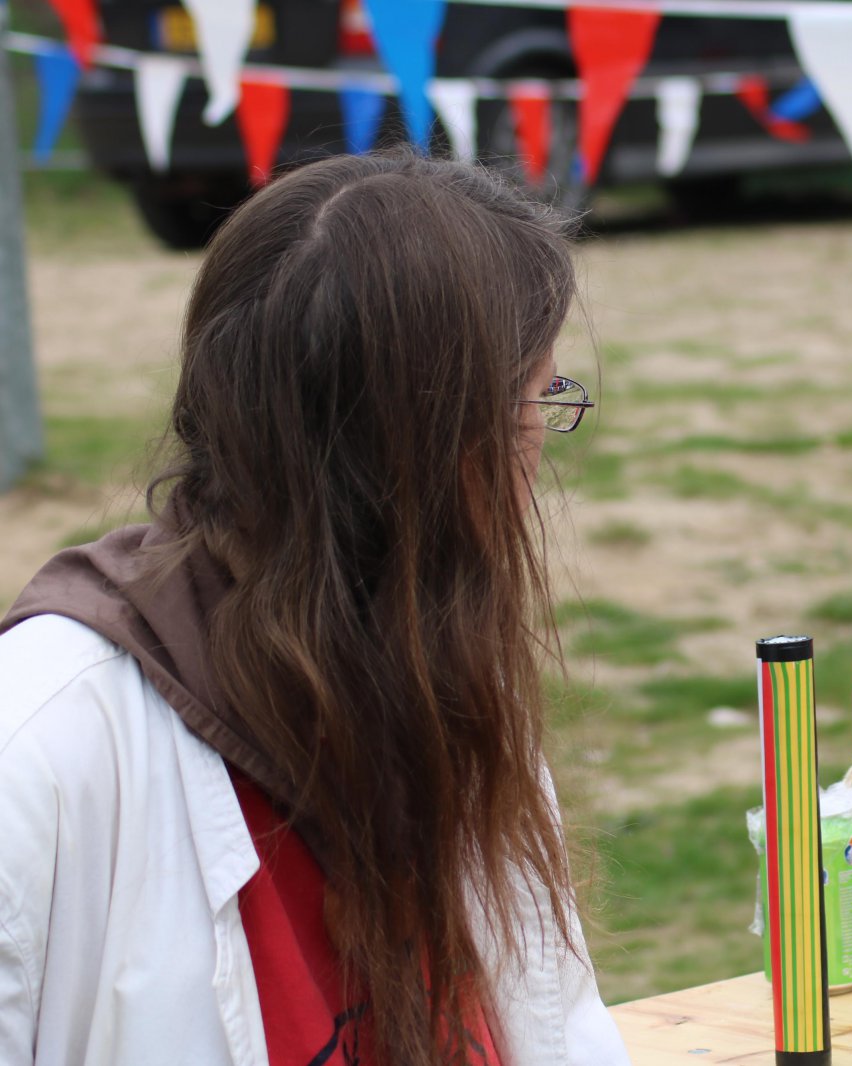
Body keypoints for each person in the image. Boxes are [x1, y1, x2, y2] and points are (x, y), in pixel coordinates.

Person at [0, 152, 630, 1065]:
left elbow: (558, 1034)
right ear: (419, 447)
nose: (537, 452)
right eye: (533, 401)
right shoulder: (44, 738)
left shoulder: (438, 672)